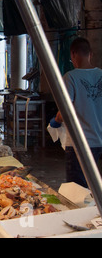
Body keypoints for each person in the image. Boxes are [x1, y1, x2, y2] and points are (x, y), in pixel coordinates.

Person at [50, 37, 102, 188]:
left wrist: (56, 121)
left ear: (73, 54)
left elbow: (65, 110)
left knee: (77, 189)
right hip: (99, 140)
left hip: (79, 143)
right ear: (90, 54)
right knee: (96, 186)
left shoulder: (70, 77)